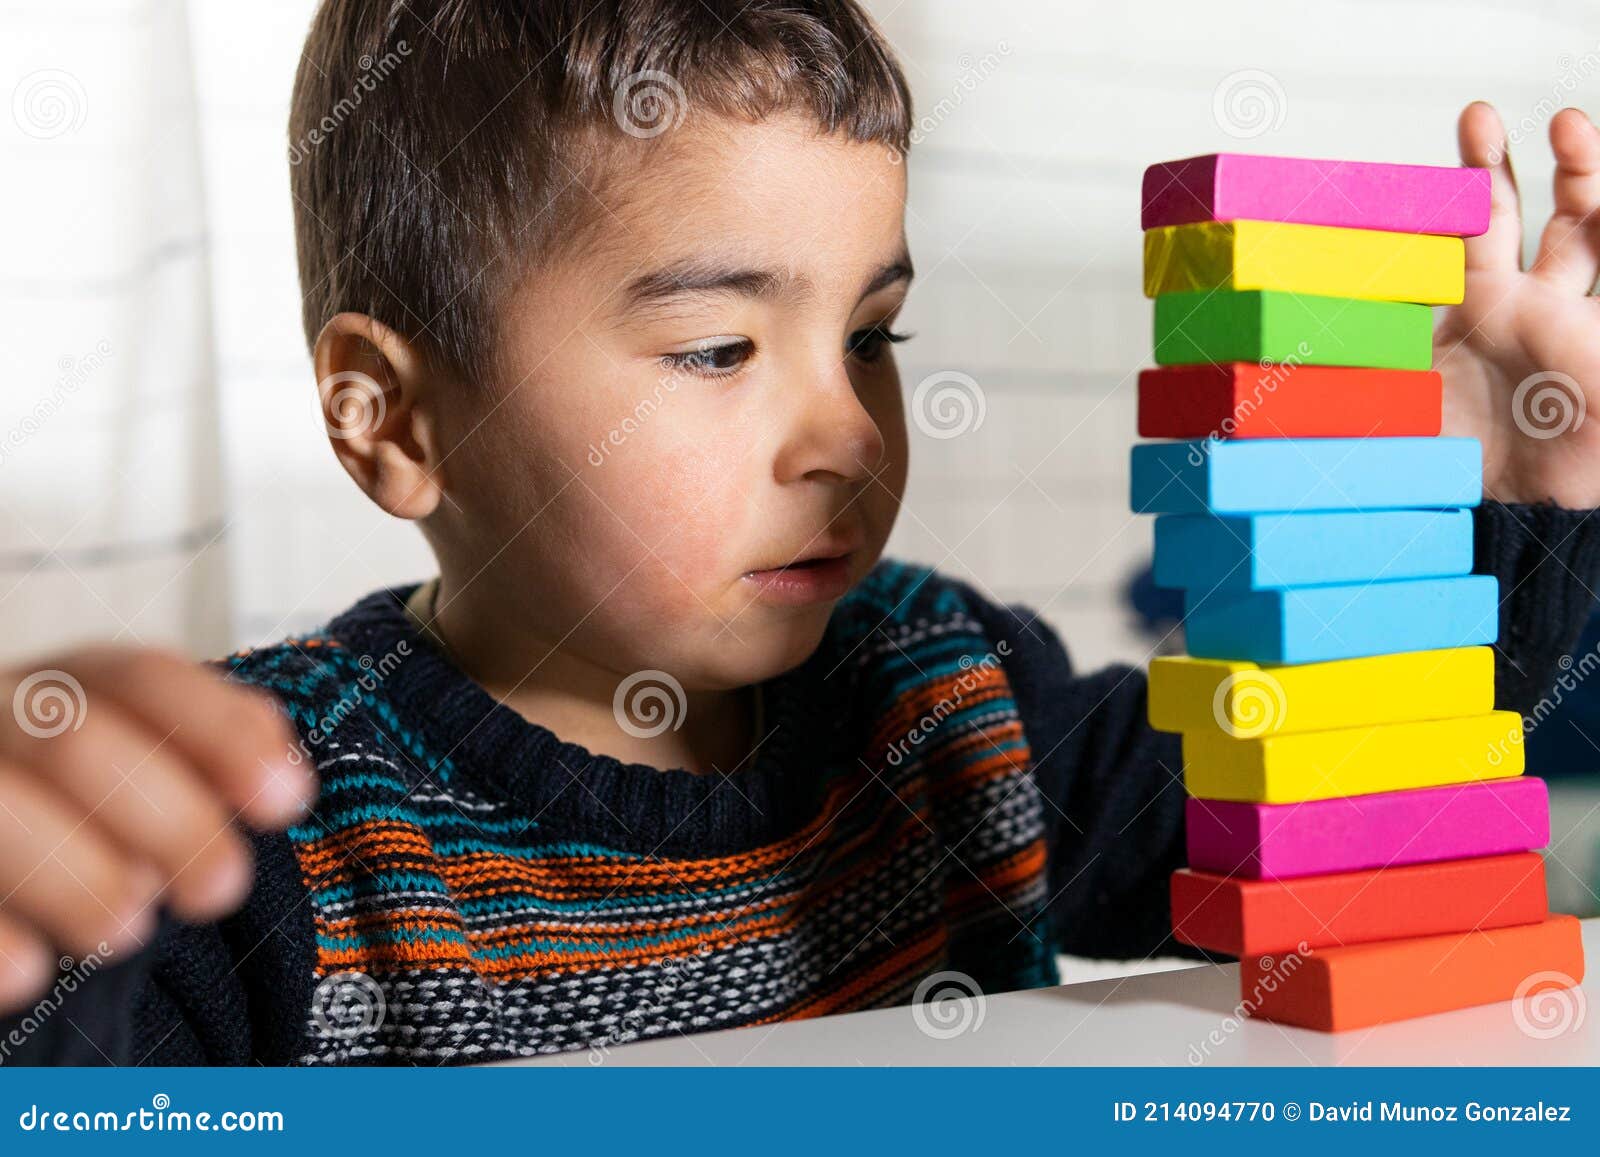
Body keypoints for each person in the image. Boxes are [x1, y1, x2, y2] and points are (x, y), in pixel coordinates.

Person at [3, 1, 1599, 1064]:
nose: (843, 430)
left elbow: (1346, 792)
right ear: (396, 420)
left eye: (873, 337)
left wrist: (1553, 494)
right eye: (717, 349)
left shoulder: (953, 693)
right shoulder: (261, 848)